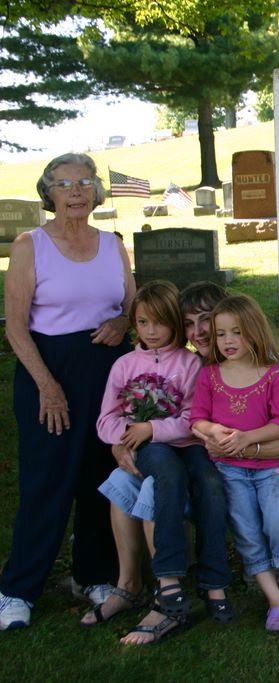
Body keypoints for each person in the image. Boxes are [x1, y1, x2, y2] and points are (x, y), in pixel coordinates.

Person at [87, 282, 279, 633]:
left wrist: (238, 446)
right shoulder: (199, 367)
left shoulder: (272, 369)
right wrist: (122, 439)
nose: (199, 331)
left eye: (207, 320)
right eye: (189, 323)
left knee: (155, 488)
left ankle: (169, 594)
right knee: (120, 481)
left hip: (248, 471)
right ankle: (131, 583)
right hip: (197, 463)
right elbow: (189, 421)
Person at [1, 153, 134, 631]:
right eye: (64, 184)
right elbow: (15, 328)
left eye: (83, 182)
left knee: (100, 475)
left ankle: (93, 574)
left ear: (96, 191)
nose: (76, 191)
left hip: (107, 370)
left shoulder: (112, 244)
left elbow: (133, 304)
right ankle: (18, 589)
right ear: (49, 192)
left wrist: (122, 322)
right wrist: (47, 385)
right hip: (48, 370)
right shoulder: (30, 245)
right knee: (46, 480)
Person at [94, 280, 232, 644]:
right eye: (143, 322)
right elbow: (106, 419)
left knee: (208, 484)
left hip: (185, 443)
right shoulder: (124, 365)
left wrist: (152, 427)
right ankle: (163, 582)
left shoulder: (189, 363)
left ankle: (209, 581)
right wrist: (128, 435)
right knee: (161, 477)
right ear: (134, 324)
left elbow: (193, 417)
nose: (152, 331)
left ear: (173, 323)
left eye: (160, 322)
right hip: (150, 447)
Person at [192, 294, 279, 632]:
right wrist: (212, 430)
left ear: (254, 331)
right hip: (229, 470)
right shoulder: (210, 375)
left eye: (237, 332)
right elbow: (197, 419)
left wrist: (248, 439)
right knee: (246, 531)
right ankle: (274, 599)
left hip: (270, 469)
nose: (228, 341)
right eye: (221, 334)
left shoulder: (273, 373)